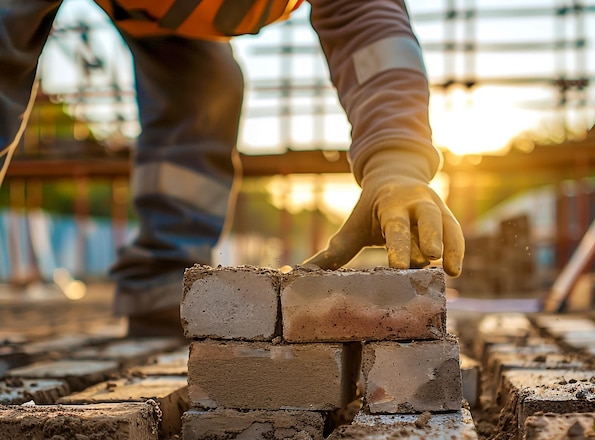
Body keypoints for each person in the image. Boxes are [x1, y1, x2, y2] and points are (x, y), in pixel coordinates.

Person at [0, 0, 464, 337]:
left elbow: (371, 31)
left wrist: (396, 163)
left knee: (206, 87)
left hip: (173, 14)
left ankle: (167, 290)